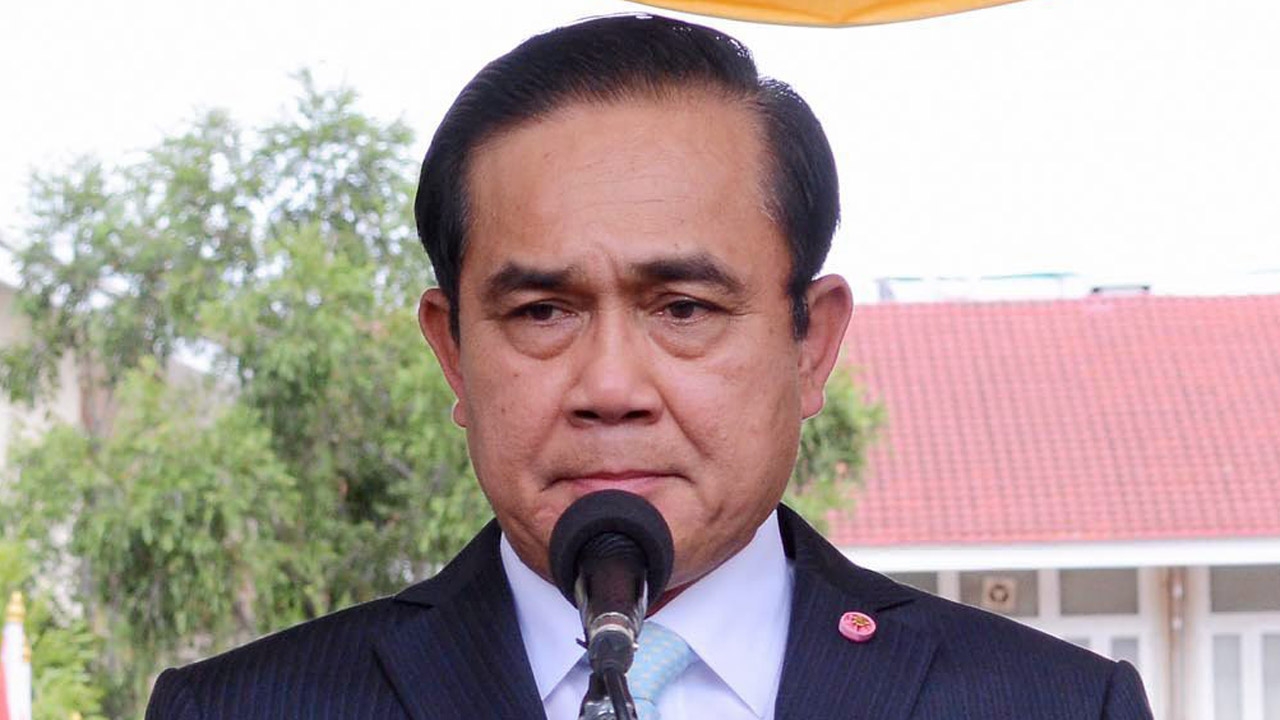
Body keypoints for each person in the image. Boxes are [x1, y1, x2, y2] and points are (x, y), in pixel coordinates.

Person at [146, 14, 1153, 720]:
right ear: (452, 352)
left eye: (683, 309)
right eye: (541, 312)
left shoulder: (1056, 705)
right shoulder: (239, 708)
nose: (611, 389)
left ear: (810, 344)